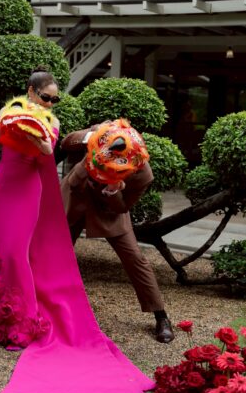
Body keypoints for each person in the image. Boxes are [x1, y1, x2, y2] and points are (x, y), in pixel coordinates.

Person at [0, 67, 155, 393]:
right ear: (31, 91)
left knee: (18, 254)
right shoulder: (9, 111)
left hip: (28, 190)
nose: (50, 103)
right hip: (2, 187)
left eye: (54, 99)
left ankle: (24, 323)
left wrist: (39, 140)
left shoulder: (52, 122)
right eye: (46, 97)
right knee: (1, 253)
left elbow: (46, 154)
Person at [59, 125, 175, 344]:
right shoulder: (104, 133)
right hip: (75, 200)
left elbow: (122, 207)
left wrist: (113, 191)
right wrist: (91, 139)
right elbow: (66, 144)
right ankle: (43, 306)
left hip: (108, 210)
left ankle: (161, 316)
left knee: (135, 258)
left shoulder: (142, 174)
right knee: (56, 254)